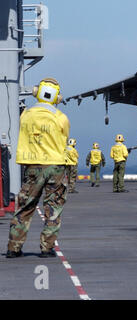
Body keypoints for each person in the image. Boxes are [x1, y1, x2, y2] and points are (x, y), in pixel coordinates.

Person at [7, 78, 69, 259]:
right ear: (56, 97)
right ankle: (46, 248)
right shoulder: (61, 118)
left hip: (33, 167)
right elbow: (65, 137)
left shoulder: (25, 115)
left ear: (37, 92)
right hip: (55, 166)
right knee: (53, 208)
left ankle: (13, 248)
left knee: (25, 207)